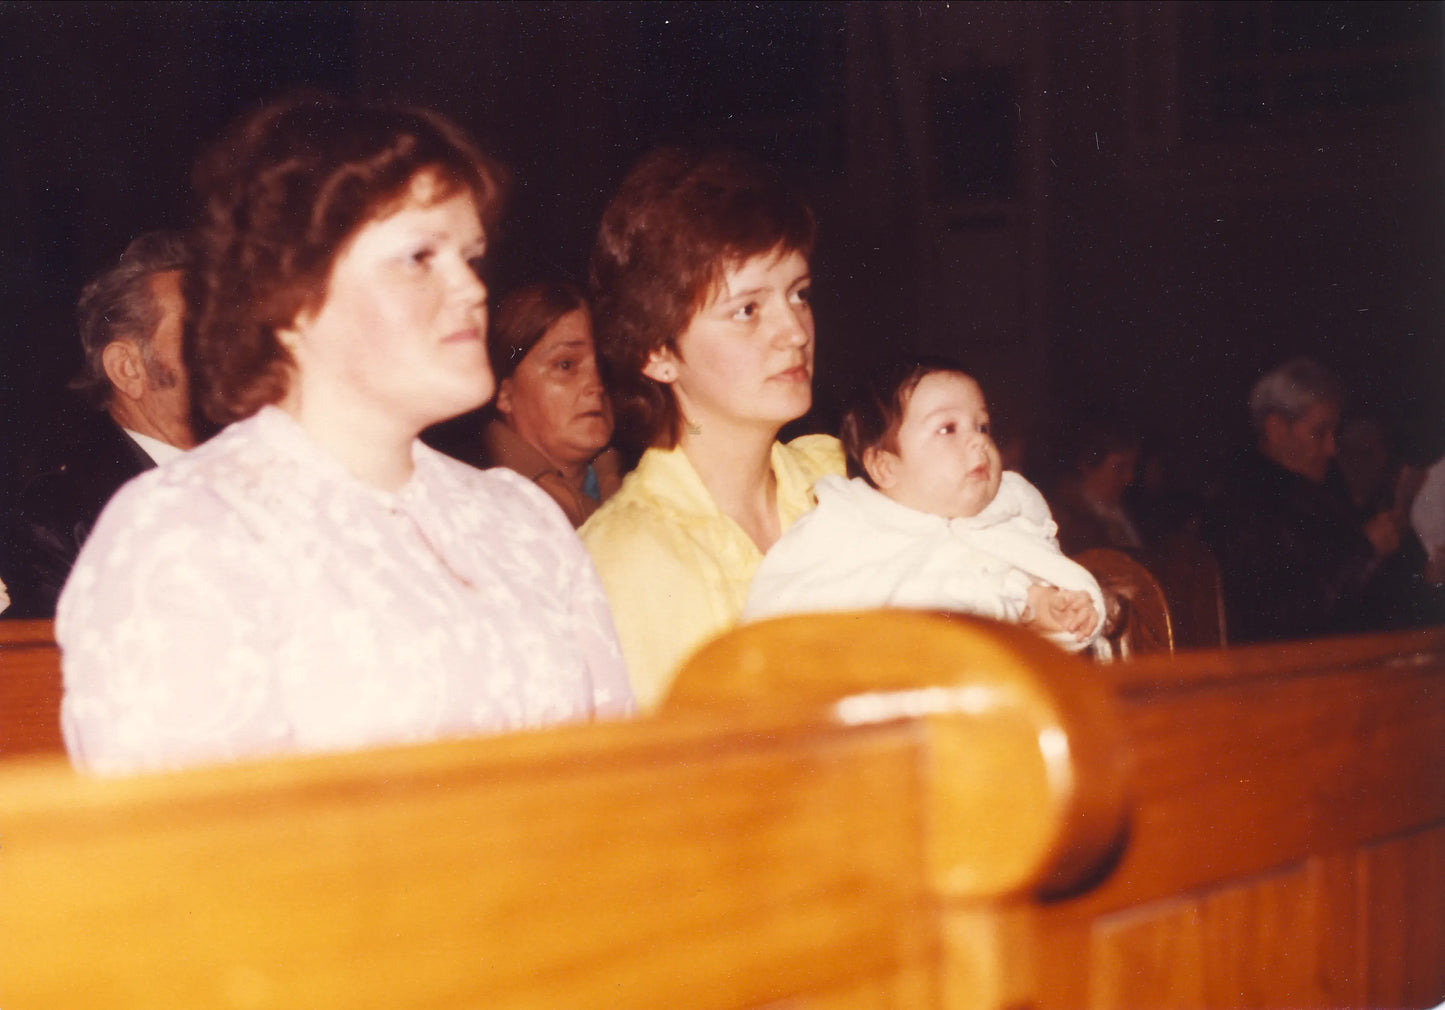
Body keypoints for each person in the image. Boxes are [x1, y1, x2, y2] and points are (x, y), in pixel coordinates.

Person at [58, 95, 632, 775]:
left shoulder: (522, 520)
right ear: (291, 300)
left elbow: (611, 781)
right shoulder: (189, 532)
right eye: (420, 258)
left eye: (469, 257)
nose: (471, 289)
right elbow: (179, 854)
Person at [580, 149, 844, 708]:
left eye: (798, 294)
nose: (794, 331)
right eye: (747, 309)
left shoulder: (846, 477)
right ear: (656, 352)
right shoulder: (626, 558)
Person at [745, 358, 1104, 653]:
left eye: (982, 426)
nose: (979, 442)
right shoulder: (846, 527)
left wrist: (1044, 610)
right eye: (948, 429)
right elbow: (779, 623)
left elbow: (1016, 598)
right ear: (886, 467)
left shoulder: (1003, 519)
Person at [0, 232, 195, 618]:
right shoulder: (59, 520)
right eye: (198, 332)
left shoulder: (276, 479)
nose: (236, 350)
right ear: (127, 369)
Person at [1205, 357, 1408, 643]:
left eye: (1333, 433)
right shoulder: (1244, 503)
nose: (1331, 448)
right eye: (1319, 432)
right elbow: (1278, 618)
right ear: (1276, 429)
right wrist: (1365, 549)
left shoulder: (1320, 486)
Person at [482, 282, 621, 527]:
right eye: (565, 365)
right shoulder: (490, 507)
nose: (596, 384)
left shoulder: (637, 481)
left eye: (601, 365)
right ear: (504, 393)